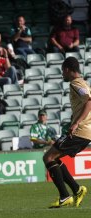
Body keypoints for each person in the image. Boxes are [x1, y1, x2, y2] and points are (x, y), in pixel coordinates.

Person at [43, 57, 88, 208]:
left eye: (63, 70)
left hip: (80, 131)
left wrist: (76, 123)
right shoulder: (82, 83)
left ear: (68, 69)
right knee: (53, 158)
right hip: (84, 132)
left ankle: (64, 196)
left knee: (48, 157)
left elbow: (89, 101)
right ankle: (77, 189)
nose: (62, 73)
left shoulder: (75, 83)